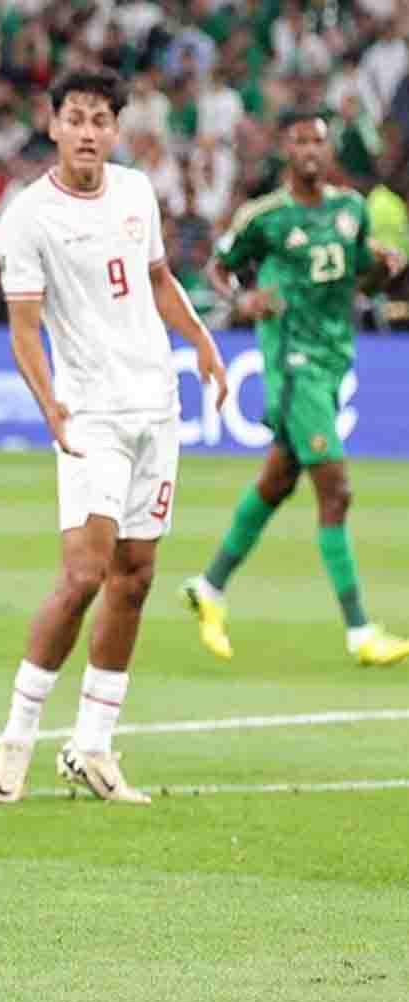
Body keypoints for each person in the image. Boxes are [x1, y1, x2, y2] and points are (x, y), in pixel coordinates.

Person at [0, 69, 229, 805]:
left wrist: (203, 341)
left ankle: (90, 746)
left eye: (101, 120)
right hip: (92, 415)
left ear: (116, 130)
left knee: (136, 576)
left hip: (157, 406)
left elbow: (157, 281)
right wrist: (49, 403)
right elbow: (24, 327)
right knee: (84, 573)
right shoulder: (28, 218)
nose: (88, 132)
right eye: (76, 117)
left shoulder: (135, 193)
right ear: (53, 124)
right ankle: (18, 734)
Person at [181, 109, 409, 666]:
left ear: (328, 152)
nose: (310, 149)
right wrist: (244, 301)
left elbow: (363, 276)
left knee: (278, 482)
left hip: (333, 362)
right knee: (337, 489)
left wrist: (386, 267)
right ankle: (360, 632)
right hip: (292, 366)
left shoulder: (351, 210)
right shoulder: (266, 218)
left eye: (319, 141)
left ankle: (209, 587)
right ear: (285, 149)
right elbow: (219, 268)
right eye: (300, 140)